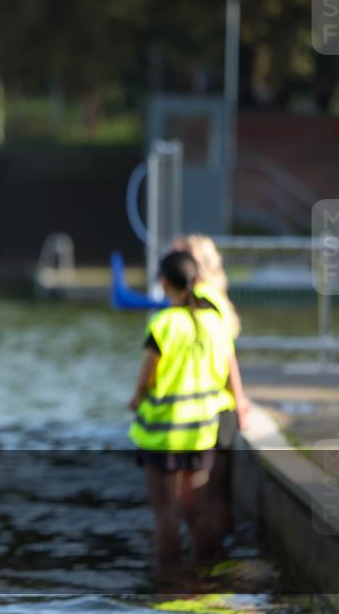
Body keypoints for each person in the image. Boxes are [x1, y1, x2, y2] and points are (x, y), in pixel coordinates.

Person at [128, 250, 245, 576]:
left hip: (162, 435)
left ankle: (170, 586)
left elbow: (147, 374)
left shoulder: (164, 324)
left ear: (164, 282)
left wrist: (137, 398)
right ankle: (206, 577)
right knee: (198, 509)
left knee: (166, 513)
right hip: (201, 433)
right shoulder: (216, 323)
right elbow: (226, 369)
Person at [171, 234, 251, 538]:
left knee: (196, 500)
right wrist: (239, 401)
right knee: (214, 497)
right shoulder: (216, 298)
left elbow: (227, 358)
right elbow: (228, 354)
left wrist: (239, 399)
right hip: (222, 409)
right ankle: (217, 565)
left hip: (209, 411)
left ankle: (203, 567)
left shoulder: (200, 301)